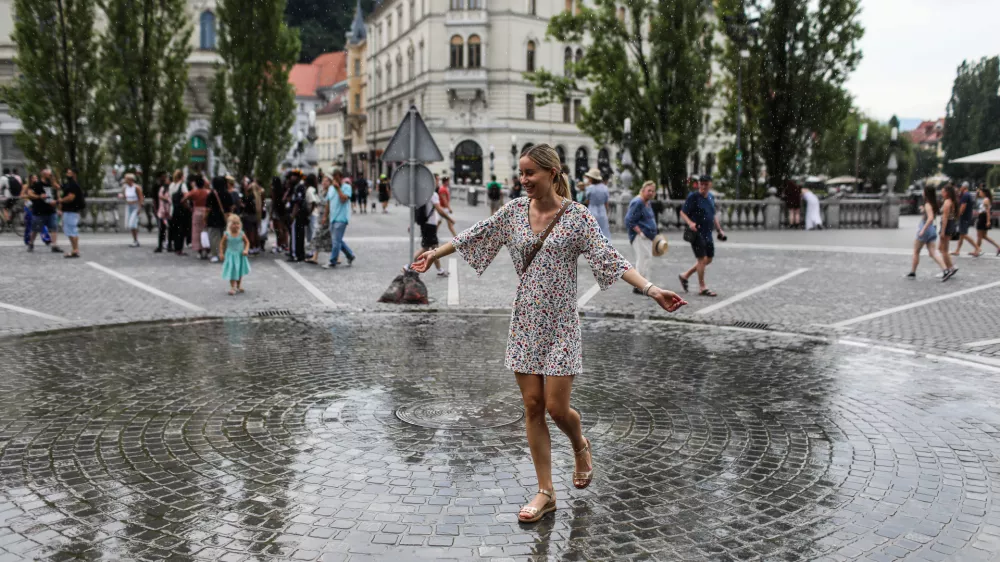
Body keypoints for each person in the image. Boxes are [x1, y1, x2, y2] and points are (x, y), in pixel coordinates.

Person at [410, 143, 687, 524]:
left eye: (530, 173)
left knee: (557, 408)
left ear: (552, 173)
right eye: (520, 173)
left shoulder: (578, 218)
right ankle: (546, 492)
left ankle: (580, 445)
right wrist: (433, 254)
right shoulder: (513, 213)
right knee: (533, 407)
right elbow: (474, 234)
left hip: (561, 324)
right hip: (525, 322)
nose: (523, 180)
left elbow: (610, 258)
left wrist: (652, 289)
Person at [679, 175, 726, 297]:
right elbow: (682, 212)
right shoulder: (693, 197)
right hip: (697, 233)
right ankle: (702, 287)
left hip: (708, 233)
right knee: (701, 259)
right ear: (699, 184)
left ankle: (685, 276)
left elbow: (713, 215)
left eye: (706, 184)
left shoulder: (710, 197)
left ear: (710, 184)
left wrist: (719, 230)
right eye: (702, 184)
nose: (704, 186)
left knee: (708, 259)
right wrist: (690, 223)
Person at [412, 178, 455, 277]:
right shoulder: (433, 195)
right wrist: (450, 219)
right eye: (436, 181)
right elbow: (439, 210)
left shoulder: (423, 194)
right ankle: (409, 266)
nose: (438, 183)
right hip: (430, 225)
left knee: (430, 248)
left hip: (425, 224)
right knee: (432, 249)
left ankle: (439, 270)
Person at [907, 185, 950, 279]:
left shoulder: (927, 204)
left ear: (926, 193)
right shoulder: (933, 203)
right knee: (933, 252)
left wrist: (922, 230)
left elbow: (930, 218)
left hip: (926, 228)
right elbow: (931, 215)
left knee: (916, 251)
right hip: (932, 229)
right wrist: (924, 210)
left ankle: (913, 271)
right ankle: (945, 270)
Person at [625, 181, 658, 293]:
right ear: (643, 190)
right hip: (640, 236)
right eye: (649, 190)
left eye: (653, 191)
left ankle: (643, 283)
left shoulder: (647, 203)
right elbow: (629, 220)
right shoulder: (638, 202)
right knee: (643, 259)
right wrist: (640, 232)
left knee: (646, 258)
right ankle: (639, 285)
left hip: (648, 235)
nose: (651, 193)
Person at [323, 171, 357, 269]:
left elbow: (343, 199)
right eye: (333, 177)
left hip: (342, 218)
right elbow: (328, 203)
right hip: (333, 218)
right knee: (337, 240)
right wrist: (325, 216)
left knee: (335, 241)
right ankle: (350, 255)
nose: (335, 179)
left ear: (341, 177)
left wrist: (338, 189)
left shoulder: (347, 187)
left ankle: (332, 261)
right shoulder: (330, 189)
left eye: (336, 177)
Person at [25, 169, 62, 253]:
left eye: (51, 175)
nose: (50, 176)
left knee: (54, 228)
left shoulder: (52, 185)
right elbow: (30, 194)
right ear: (43, 175)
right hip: (39, 211)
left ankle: (54, 245)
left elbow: (58, 191)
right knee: (35, 229)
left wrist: (58, 206)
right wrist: (39, 196)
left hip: (51, 210)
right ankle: (31, 244)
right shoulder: (37, 184)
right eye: (49, 175)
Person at [219, 214, 251, 295]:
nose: (236, 225)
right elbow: (221, 244)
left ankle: (239, 285)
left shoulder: (241, 234)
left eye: (237, 223)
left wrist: (246, 250)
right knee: (232, 270)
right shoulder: (227, 234)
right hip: (230, 256)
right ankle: (233, 287)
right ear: (229, 225)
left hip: (240, 255)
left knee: (239, 270)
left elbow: (247, 242)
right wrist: (221, 253)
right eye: (233, 223)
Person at [57, 167, 84, 258]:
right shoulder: (70, 184)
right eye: (67, 172)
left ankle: (75, 250)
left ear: (74, 174)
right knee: (70, 230)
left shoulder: (73, 185)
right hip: (70, 211)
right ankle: (74, 249)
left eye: (69, 173)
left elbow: (71, 197)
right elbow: (59, 187)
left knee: (72, 230)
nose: (67, 174)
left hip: (71, 211)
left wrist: (61, 200)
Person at [182, 175, 211, 259]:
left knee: (197, 232)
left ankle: (199, 250)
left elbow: (183, 200)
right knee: (206, 230)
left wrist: (189, 207)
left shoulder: (194, 192)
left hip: (196, 211)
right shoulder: (208, 192)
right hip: (206, 211)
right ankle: (207, 249)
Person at [206, 176, 231, 263]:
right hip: (225, 217)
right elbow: (232, 206)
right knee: (225, 236)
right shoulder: (227, 193)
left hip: (213, 217)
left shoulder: (212, 194)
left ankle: (215, 255)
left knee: (214, 237)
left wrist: (204, 218)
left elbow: (208, 208)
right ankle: (224, 253)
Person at [952, 181, 981, 256]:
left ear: (964, 187)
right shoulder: (969, 195)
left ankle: (977, 248)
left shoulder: (965, 195)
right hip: (967, 216)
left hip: (964, 217)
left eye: (961, 186)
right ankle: (957, 250)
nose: (960, 188)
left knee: (964, 234)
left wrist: (957, 215)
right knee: (962, 235)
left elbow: (963, 207)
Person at [972, 186, 1000, 257]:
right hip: (983, 217)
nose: (979, 193)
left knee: (979, 236)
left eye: (981, 192)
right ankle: (998, 247)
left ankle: (977, 251)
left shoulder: (985, 200)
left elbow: (987, 211)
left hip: (982, 218)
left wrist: (988, 221)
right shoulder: (986, 199)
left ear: (984, 193)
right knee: (983, 236)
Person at [938, 184, 959, 281]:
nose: (942, 193)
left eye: (943, 191)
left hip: (946, 226)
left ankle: (950, 268)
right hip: (950, 225)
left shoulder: (947, 202)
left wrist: (942, 231)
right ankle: (950, 267)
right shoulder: (952, 201)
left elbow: (945, 218)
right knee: (942, 248)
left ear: (947, 193)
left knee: (944, 250)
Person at [583, 168, 610, 239]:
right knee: (604, 231)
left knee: (592, 232)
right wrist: (606, 212)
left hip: (592, 210)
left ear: (591, 178)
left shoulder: (590, 188)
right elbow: (606, 203)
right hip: (602, 210)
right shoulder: (605, 188)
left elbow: (587, 201)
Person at [167, 170, 189, 256]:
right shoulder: (182, 185)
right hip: (181, 210)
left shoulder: (172, 185)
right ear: (182, 176)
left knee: (175, 229)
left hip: (173, 209)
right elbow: (187, 195)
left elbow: (169, 197)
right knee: (181, 229)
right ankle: (180, 248)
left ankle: (176, 247)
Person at [289, 171, 309, 262]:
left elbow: (297, 202)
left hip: (298, 215)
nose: (291, 178)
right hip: (299, 215)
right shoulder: (296, 187)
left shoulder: (299, 187)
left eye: (293, 176)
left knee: (296, 235)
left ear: (297, 177)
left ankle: (295, 254)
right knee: (299, 235)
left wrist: (292, 215)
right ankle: (299, 254)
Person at [242, 178, 264, 255]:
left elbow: (246, 206)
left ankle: (251, 247)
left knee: (250, 233)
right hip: (256, 215)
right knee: (255, 232)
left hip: (249, 216)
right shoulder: (258, 195)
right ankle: (256, 247)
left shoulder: (249, 196)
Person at [122, 173, 144, 247]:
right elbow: (125, 197)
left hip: (135, 206)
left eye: (126, 179)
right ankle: (135, 240)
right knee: (131, 225)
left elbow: (141, 198)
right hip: (129, 206)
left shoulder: (136, 187)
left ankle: (136, 240)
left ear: (130, 180)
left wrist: (139, 208)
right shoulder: (125, 187)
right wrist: (122, 196)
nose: (125, 180)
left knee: (132, 224)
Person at [270, 177, 289, 253]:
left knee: (278, 229)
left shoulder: (274, 191)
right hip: (283, 211)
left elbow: (273, 202)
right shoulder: (282, 189)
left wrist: (271, 213)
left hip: (276, 211)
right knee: (284, 229)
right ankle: (285, 244)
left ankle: (279, 245)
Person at [154, 172, 172, 253]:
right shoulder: (162, 188)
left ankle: (169, 245)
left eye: (168, 179)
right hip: (162, 211)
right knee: (162, 229)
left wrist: (165, 198)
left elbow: (169, 199)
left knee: (170, 230)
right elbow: (160, 197)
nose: (166, 180)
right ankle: (160, 246)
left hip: (170, 211)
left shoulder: (171, 189)